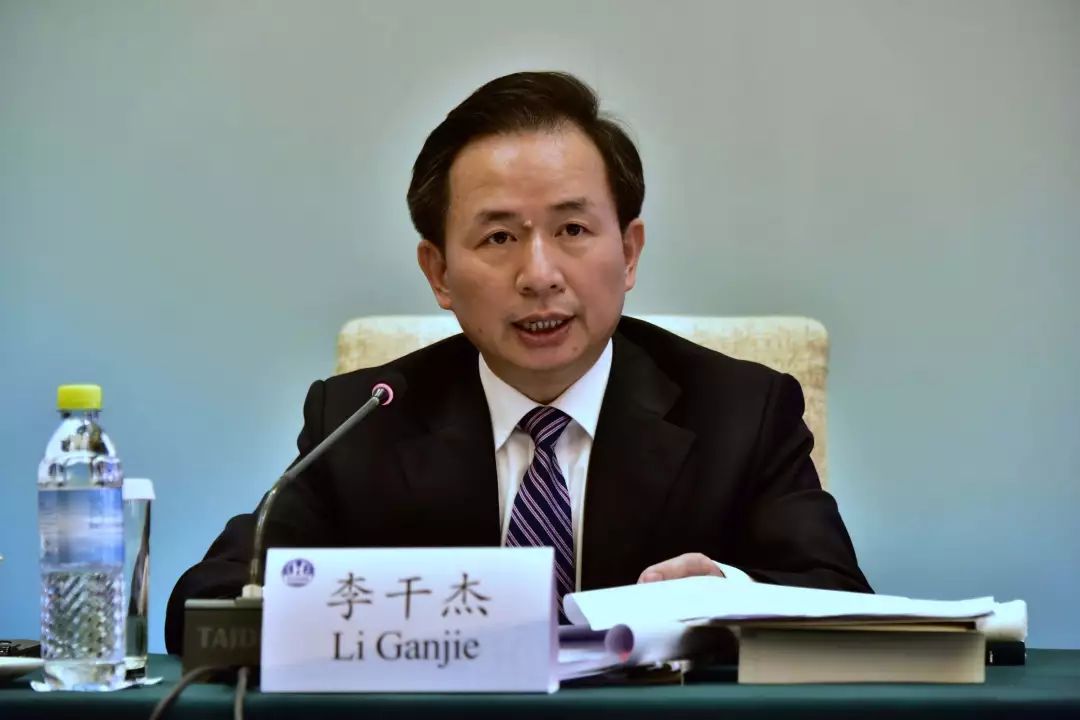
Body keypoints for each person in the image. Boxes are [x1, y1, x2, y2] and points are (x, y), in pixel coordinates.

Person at [165, 71, 870, 653]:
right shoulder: (364, 420)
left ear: (628, 253)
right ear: (439, 273)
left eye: (572, 229)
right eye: (499, 237)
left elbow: (847, 609)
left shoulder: (741, 413)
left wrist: (726, 599)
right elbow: (209, 607)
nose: (539, 275)